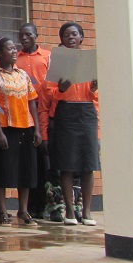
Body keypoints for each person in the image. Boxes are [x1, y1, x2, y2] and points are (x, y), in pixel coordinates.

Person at [39, 22, 99, 226]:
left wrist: (94, 87)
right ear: (61, 40)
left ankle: (88, 211)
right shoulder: (56, 61)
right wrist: (62, 90)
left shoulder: (91, 61)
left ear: (81, 37)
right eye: (66, 35)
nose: (70, 37)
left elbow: (96, 97)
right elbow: (48, 92)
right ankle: (70, 212)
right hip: (65, 113)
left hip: (87, 113)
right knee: (66, 164)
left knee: (88, 164)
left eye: (74, 34)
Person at [0, 37, 42, 226]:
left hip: (25, 126)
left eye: (15, 48)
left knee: (26, 170)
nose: (15, 51)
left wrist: (37, 129)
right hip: (4, 128)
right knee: (2, 170)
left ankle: (23, 211)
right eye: (10, 48)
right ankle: (2, 211)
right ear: (0, 53)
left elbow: (32, 101)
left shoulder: (23, 75)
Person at [16, 23, 51, 219]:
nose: (25, 38)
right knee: (28, 160)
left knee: (44, 160)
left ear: (36, 35)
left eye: (28, 34)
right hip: (23, 113)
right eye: (21, 35)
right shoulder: (15, 58)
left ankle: (45, 204)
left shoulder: (47, 56)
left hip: (43, 109)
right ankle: (29, 206)